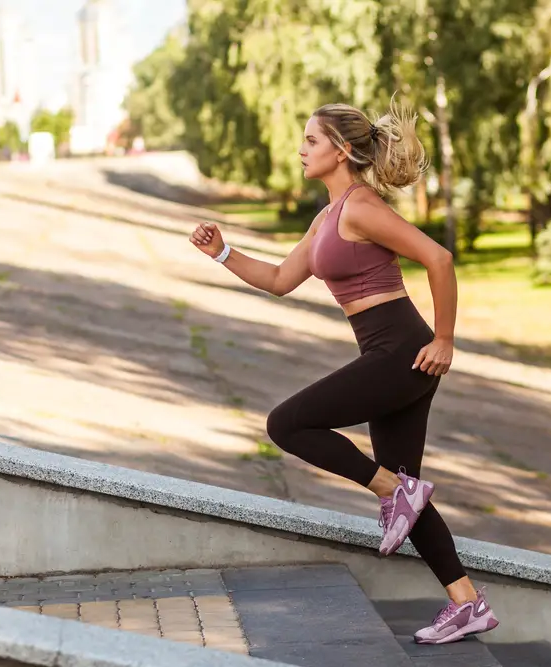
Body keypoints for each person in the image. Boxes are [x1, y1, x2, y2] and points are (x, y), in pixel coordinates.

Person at [189, 100, 499, 644]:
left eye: (311, 140)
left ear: (342, 150)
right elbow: (283, 278)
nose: (301, 150)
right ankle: (467, 602)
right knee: (409, 493)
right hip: (387, 355)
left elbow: (440, 259)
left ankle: (393, 491)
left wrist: (445, 338)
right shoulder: (327, 217)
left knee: (286, 424)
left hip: (402, 353)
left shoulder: (359, 207)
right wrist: (223, 253)